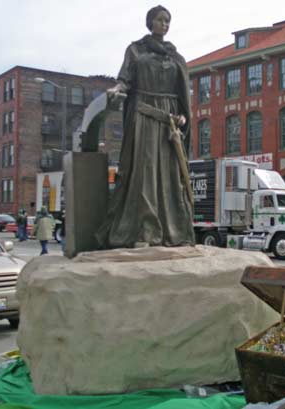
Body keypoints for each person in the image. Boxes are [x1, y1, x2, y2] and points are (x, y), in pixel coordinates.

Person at [95, 5, 195, 249]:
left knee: (171, 175)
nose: (165, 24)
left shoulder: (175, 57)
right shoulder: (136, 50)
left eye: (168, 21)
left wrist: (182, 116)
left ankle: (175, 231)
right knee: (146, 173)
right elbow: (124, 80)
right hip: (144, 118)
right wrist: (116, 90)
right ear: (150, 22)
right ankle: (144, 231)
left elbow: (183, 95)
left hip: (169, 123)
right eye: (161, 20)